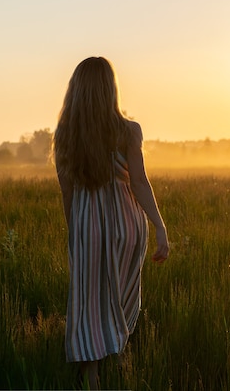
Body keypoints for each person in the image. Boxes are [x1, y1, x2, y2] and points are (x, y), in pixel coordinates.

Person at [53, 56, 170, 390]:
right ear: (111, 89)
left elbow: (67, 191)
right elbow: (140, 183)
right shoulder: (128, 131)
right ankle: (118, 357)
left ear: (75, 91)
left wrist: (75, 233)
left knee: (89, 300)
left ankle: (92, 377)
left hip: (87, 225)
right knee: (121, 297)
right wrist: (160, 226)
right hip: (127, 226)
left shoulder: (65, 135)